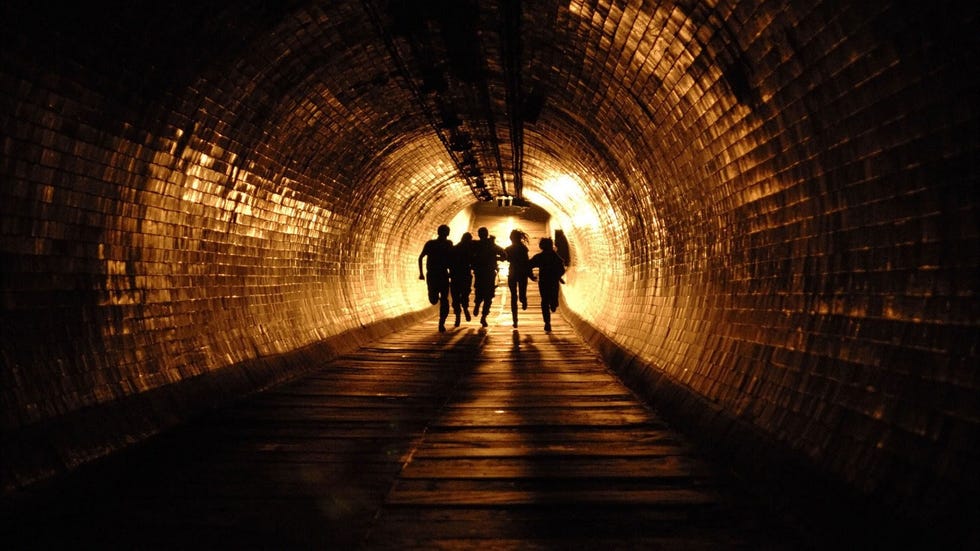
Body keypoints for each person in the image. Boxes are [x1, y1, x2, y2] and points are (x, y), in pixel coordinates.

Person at [418, 224, 454, 332]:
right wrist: (421, 273)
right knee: (434, 300)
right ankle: (434, 297)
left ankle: (441, 323)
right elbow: (421, 257)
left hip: (442, 274)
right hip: (433, 274)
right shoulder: (431, 244)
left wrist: (452, 272)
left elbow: (452, 259)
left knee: (444, 299)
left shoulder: (448, 244)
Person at [528, 236, 566, 332]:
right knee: (553, 297)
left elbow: (529, 265)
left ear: (541, 246)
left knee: (544, 301)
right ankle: (553, 305)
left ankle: (547, 322)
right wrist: (558, 276)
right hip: (553, 281)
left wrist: (531, 276)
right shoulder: (555, 256)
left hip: (544, 282)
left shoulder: (540, 257)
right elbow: (561, 269)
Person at [470, 226, 507, 327]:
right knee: (488, 296)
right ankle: (483, 317)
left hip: (479, 273)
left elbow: (468, 253)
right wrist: (497, 258)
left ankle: (477, 304)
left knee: (479, 291)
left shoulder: (476, 245)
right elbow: (504, 254)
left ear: (479, 235)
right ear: (487, 234)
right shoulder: (492, 245)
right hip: (490, 274)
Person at [504, 229, 531, 328]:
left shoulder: (508, 249)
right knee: (521, 293)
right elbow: (527, 262)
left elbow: (505, 257)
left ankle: (515, 320)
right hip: (522, 273)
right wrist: (530, 274)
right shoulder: (523, 249)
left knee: (513, 296)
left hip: (513, 273)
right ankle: (523, 300)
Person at [449, 232, 474, 327]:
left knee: (455, 297)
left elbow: (449, 262)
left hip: (455, 276)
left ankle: (458, 316)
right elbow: (472, 261)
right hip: (465, 276)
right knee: (464, 295)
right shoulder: (469, 250)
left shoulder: (454, 249)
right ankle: (465, 309)